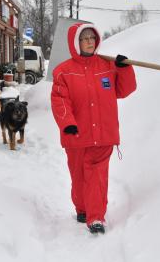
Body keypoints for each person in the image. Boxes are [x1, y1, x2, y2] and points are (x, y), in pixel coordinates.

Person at [51, 22, 137, 234]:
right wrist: (67, 123)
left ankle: (96, 217)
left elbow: (124, 90)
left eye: (92, 38)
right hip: (77, 135)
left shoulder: (107, 67)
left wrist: (124, 69)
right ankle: (82, 209)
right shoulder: (63, 72)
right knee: (79, 177)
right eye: (85, 39)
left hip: (103, 135)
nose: (90, 42)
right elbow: (60, 100)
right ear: (76, 43)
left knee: (97, 178)